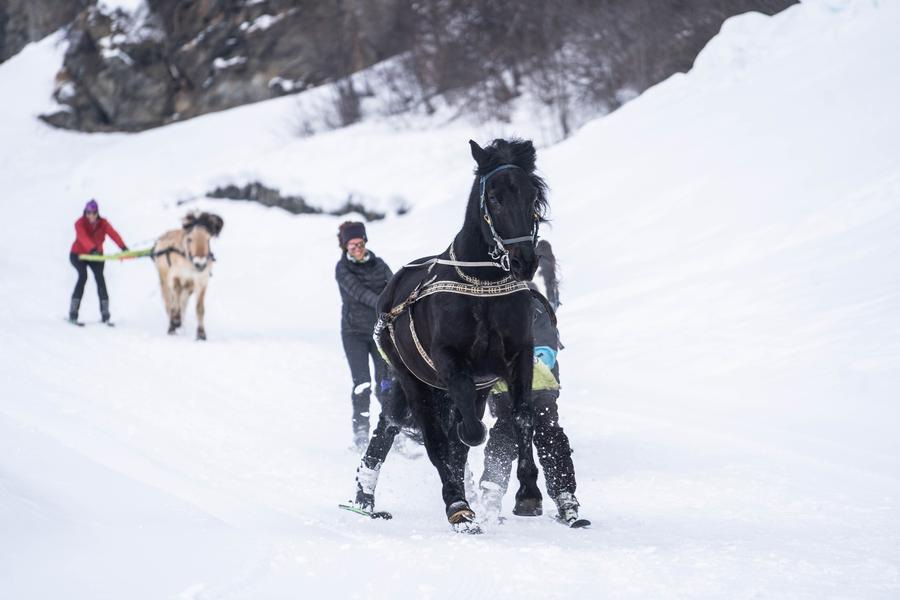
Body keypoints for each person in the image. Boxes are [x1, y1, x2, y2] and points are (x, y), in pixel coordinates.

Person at [334, 221, 393, 451]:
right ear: (345, 247)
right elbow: (359, 293)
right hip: (354, 334)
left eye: (360, 244)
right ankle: (360, 431)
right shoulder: (342, 269)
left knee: (385, 384)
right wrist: (385, 304)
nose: (357, 249)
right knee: (362, 383)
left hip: (379, 333)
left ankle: (392, 427)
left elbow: (394, 285)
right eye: (352, 246)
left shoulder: (380, 264)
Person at [68, 199, 128, 324]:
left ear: (97, 213)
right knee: (83, 276)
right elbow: (82, 237)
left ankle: (105, 315)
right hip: (78, 255)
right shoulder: (79, 223)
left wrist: (123, 247)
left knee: (100, 279)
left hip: (96, 257)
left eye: (94, 213)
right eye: (88, 212)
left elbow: (113, 234)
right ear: (85, 212)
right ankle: (73, 313)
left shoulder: (103, 223)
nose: (91, 215)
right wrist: (92, 249)